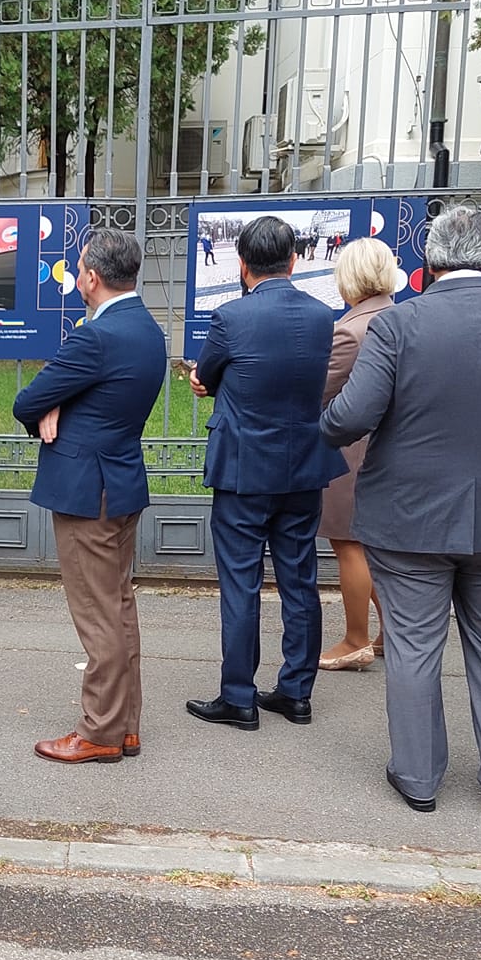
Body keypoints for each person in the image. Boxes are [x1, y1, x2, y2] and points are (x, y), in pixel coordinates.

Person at [320, 205, 481, 824]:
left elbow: (350, 417)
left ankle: (418, 778)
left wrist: (324, 423)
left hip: (407, 518)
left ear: (429, 263)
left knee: (413, 647)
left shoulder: (399, 324)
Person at [9, 230, 168, 764]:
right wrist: (61, 402)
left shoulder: (95, 337)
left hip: (87, 493)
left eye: (79, 269)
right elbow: (97, 397)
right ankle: (125, 726)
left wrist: (52, 403)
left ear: (92, 278)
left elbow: (26, 401)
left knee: (99, 616)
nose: (77, 277)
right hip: (120, 483)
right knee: (118, 607)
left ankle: (99, 731)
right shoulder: (147, 329)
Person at [185, 216, 345, 731]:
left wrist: (202, 381)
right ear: (294, 261)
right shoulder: (322, 316)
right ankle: (297, 693)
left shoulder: (230, 317)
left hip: (244, 468)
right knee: (300, 580)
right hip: (304, 465)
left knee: (241, 582)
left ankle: (239, 697)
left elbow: (209, 374)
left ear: (242, 263)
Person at [318, 237, 401, 671]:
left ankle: (355, 639)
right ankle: (392, 632)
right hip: (390, 448)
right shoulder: (402, 317)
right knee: (375, 548)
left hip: (352, 451)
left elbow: (322, 392)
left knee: (350, 544)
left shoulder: (351, 331)